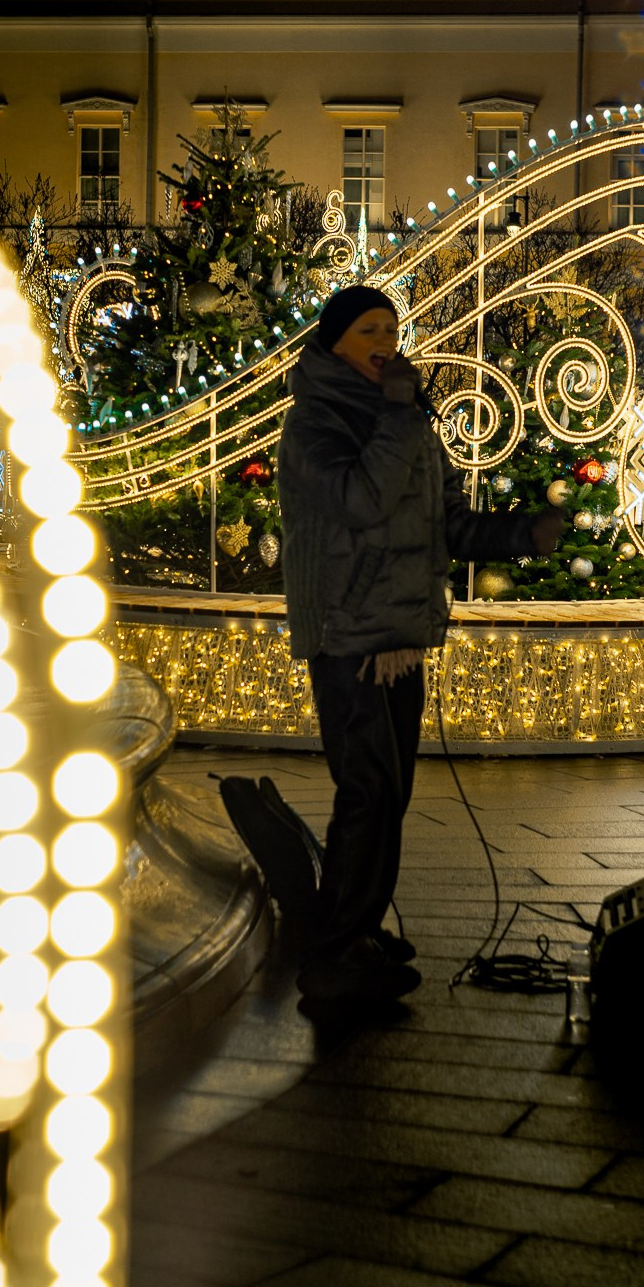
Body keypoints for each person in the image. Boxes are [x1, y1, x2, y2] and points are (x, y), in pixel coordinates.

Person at [277, 285, 565, 1004]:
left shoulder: (397, 420)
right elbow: (359, 503)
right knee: (367, 792)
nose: (386, 340)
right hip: (351, 638)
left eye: (392, 328)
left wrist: (517, 536)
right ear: (335, 341)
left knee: (389, 792)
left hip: (398, 635)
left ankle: (358, 931)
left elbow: (445, 524)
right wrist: (401, 418)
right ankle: (332, 952)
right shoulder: (316, 422)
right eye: (369, 329)